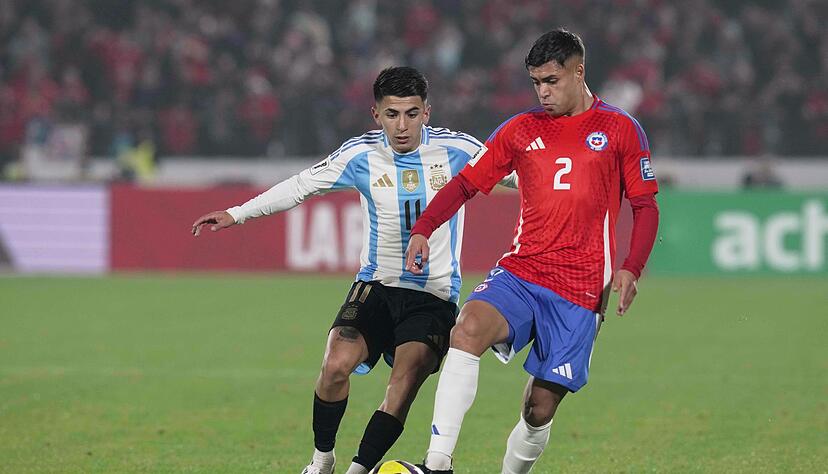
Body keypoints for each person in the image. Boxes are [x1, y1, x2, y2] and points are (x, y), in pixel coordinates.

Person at [191, 66, 516, 474]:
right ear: (376, 114)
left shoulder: (459, 150)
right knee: (334, 365)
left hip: (433, 296)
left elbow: (520, 176)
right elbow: (301, 185)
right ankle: (322, 459)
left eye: (412, 114)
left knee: (402, 386)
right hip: (376, 285)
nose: (402, 126)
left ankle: (357, 470)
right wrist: (237, 213)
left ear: (427, 113)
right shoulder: (360, 154)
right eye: (392, 114)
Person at [404, 29, 660, 474]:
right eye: (536, 82)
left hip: (581, 289)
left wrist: (632, 268)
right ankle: (437, 463)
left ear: (578, 72)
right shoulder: (520, 129)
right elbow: (465, 184)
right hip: (523, 272)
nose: (543, 92)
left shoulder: (620, 129)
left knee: (537, 409)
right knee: (468, 328)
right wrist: (424, 227)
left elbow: (645, 206)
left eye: (552, 81)